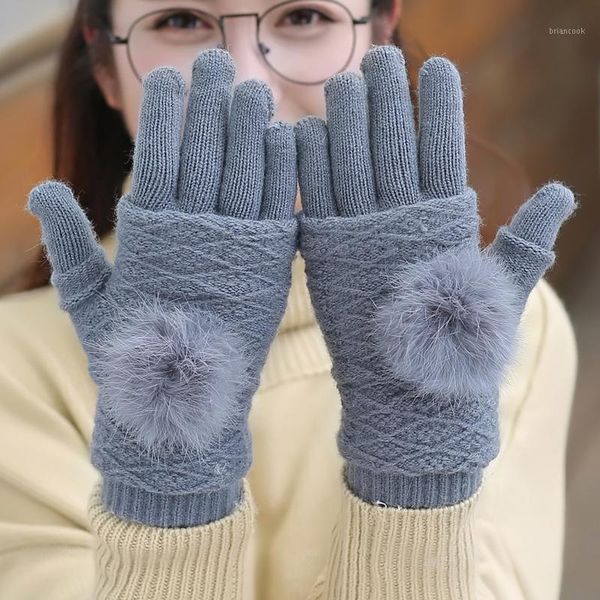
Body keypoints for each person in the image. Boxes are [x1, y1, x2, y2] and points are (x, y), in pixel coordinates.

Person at [0, 1, 577, 599]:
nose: (248, 82)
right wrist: (168, 490)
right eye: (180, 21)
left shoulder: (510, 335)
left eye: (303, 16)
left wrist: (413, 471)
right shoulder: (12, 368)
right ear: (103, 67)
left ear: (380, 35)